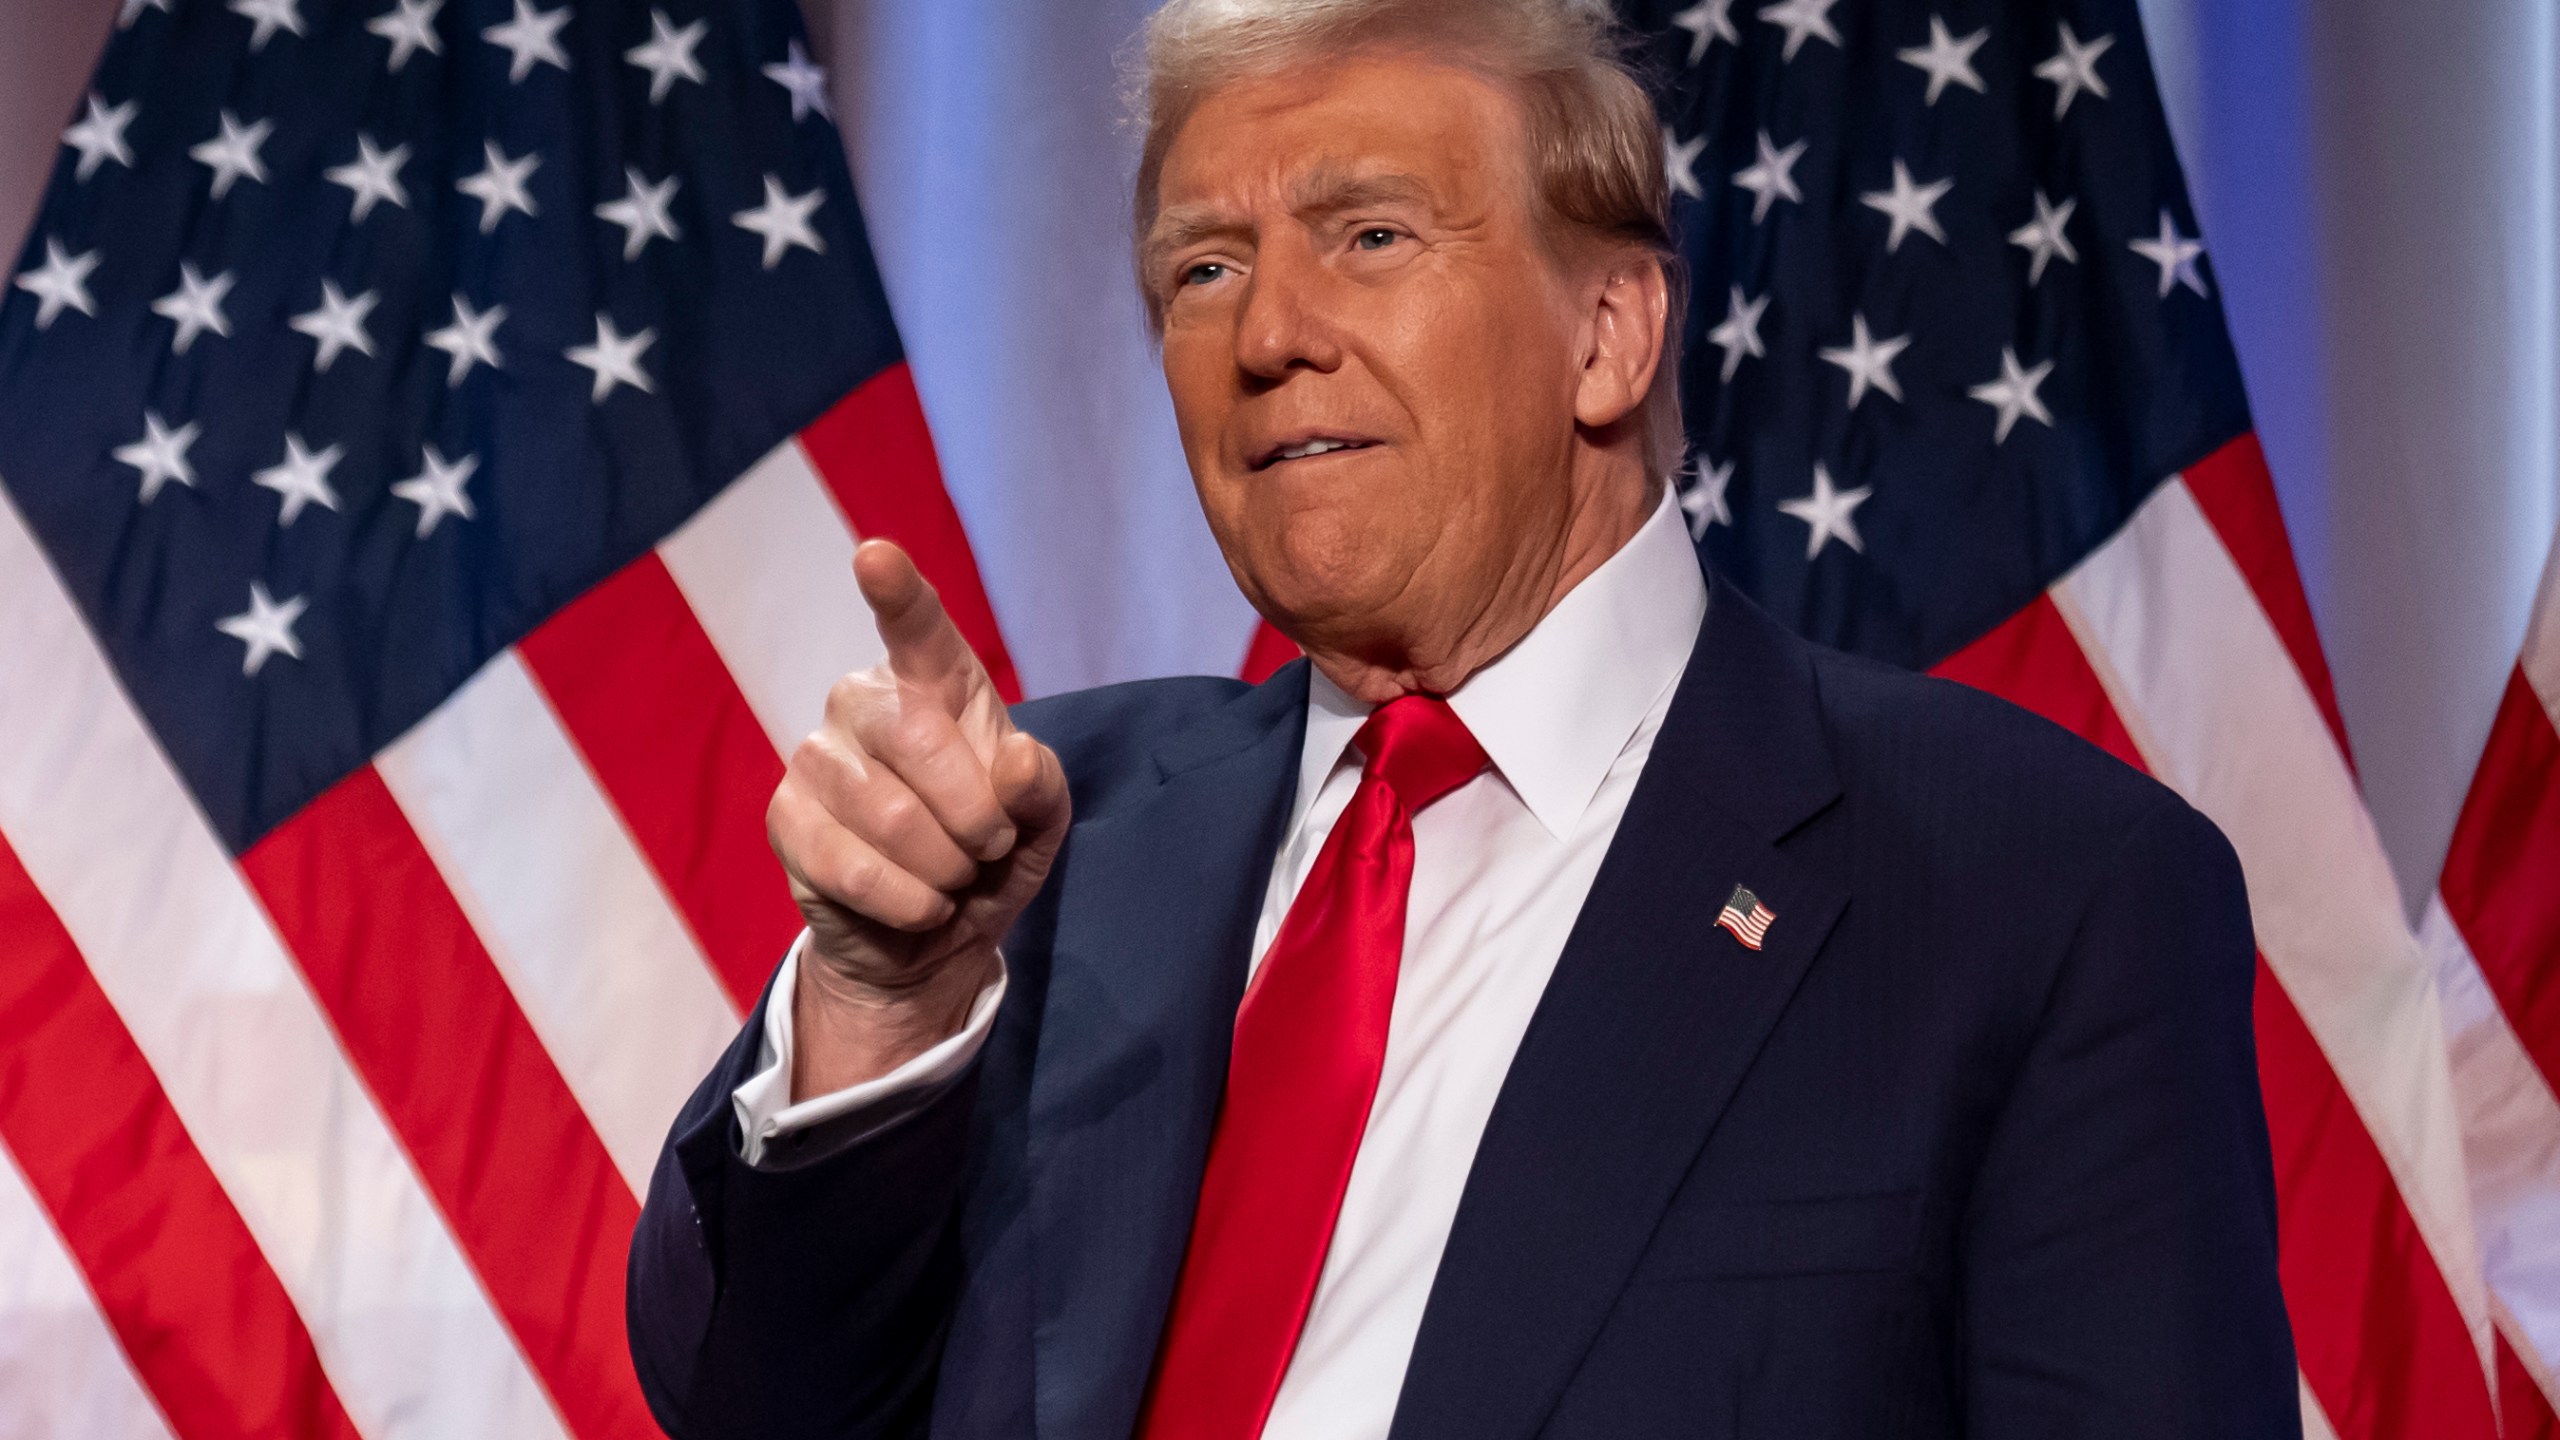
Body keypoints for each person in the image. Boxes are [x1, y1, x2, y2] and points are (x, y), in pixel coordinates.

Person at [625, 1, 2298, 1436]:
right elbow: (753, 1399)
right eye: (1204, 267)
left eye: (1370, 235)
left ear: (1608, 332)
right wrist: (879, 998)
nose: (1267, 336)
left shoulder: (2029, 890)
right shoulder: (1042, 837)